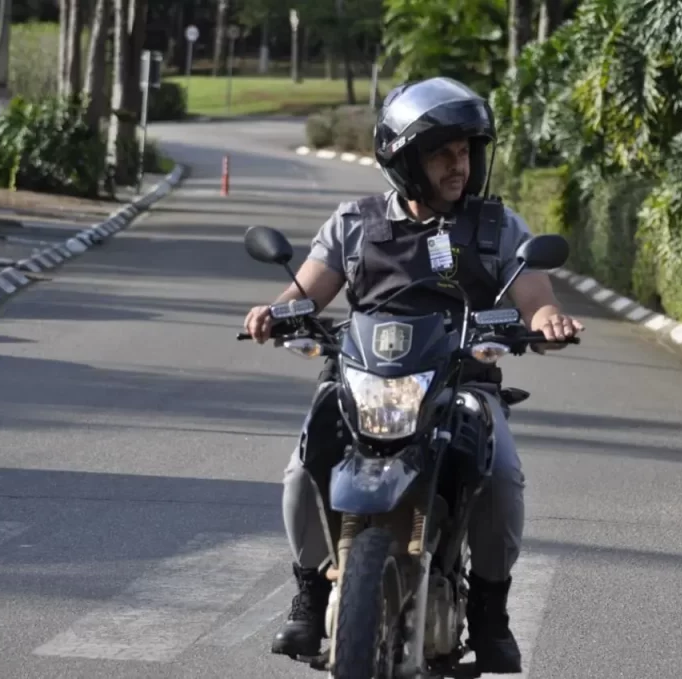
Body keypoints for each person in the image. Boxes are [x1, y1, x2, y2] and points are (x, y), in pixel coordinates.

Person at [242, 76, 584, 674]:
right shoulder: (356, 223)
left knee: (501, 475)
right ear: (404, 160)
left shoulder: (497, 226)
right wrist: (273, 313)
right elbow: (307, 292)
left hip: (463, 389)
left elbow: (536, 297)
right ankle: (310, 590)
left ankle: (489, 609)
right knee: (302, 471)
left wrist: (549, 319)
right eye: (441, 153)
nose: (458, 167)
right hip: (362, 385)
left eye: (464, 152)